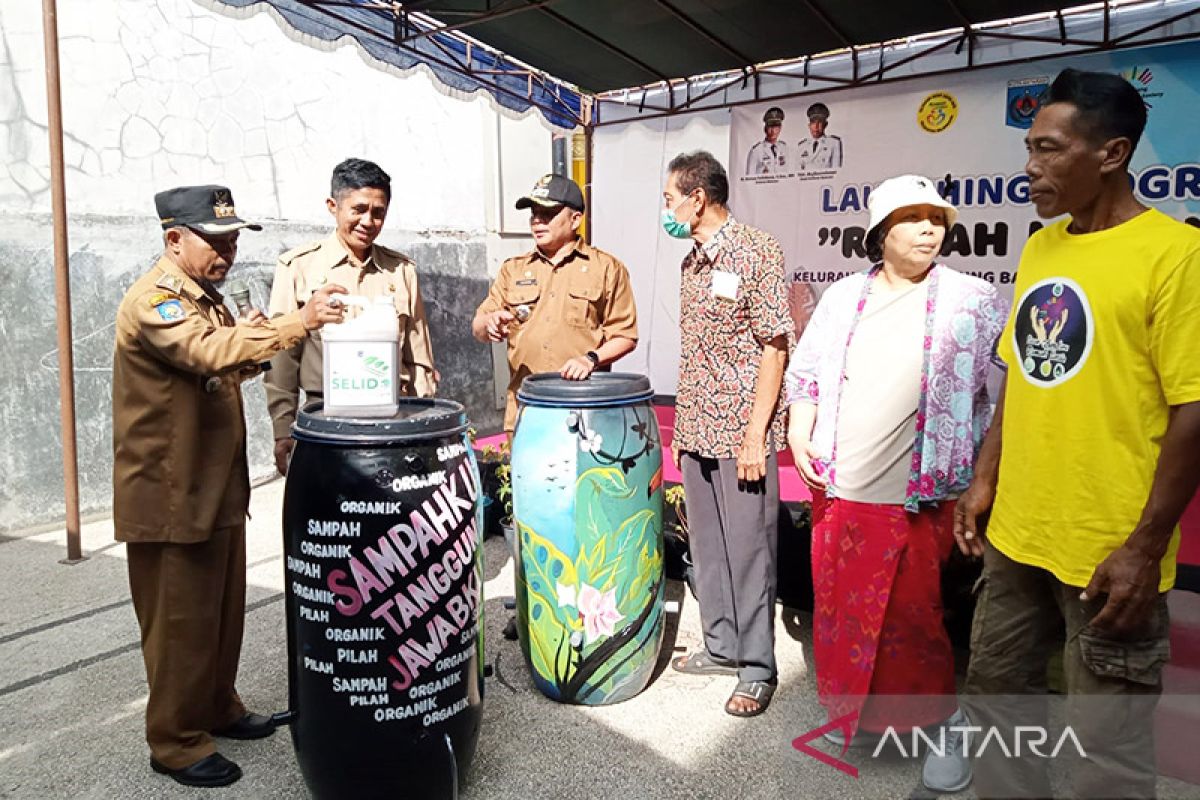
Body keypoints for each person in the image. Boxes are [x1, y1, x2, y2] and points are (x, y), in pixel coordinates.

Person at [956, 68, 1200, 800]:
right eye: (1029, 148)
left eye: (1050, 150)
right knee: (999, 709)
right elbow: (1021, 374)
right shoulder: (1044, 248)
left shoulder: (1176, 256)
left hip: (1109, 553)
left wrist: (1143, 548)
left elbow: (1195, 407)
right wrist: (986, 478)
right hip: (1017, 537)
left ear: (1112, 153)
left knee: (1106, 757)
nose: (1030, 167)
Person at [112, 185, 347, 787]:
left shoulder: (205, 300)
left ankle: (217, 705)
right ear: (174, 239)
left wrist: (252, 342)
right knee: (179, 623)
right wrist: (296, 323)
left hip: (211, 488)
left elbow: (224, 361)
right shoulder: (155, 302)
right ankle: (174, 739)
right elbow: (203, 351)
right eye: (216, 241)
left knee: (219, 613)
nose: (229, 251)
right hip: (169, 494)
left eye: (234, 240)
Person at [785, 174, 1008, 792]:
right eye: (912, 218)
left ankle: (942, 727)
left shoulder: (975, 299)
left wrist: (984, 469)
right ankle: (853, 715)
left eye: (936, 218)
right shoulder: (841, 299)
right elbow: (803, 372)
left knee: (913, 620)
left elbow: (1009, 384)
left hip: (920, 496)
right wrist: (801, 431)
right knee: (840, 614)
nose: (928, 229)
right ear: (880, 232)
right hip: (839, 487)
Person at [662, 150, 790, 717]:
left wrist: (754, 434)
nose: (665, 209)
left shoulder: (757, 250)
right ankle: (721, 646)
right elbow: (697, 353)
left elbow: (774, 345)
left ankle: (758, 666)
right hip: (696, 425)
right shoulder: (691, 262)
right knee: (707, 548)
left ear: (698, 198)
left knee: (750, 551)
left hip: (741, 430)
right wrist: (680, 432)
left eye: (669, 199)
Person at [266, 158, 437, 474]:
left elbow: (419, 358)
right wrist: (283, 429)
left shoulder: (401, 271)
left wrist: (421, 428)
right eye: (358, 209)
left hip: (391, 422)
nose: (368, 221)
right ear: (333, 206)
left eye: (378, 212)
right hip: (324, 424)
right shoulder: (298, 268)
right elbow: (282, 361)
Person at [471, 173, 638, 434]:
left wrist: (590, 359)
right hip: (528, 408)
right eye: (534, 213)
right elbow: (478, 326)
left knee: (587, 476)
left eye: (548, 213)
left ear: (575, 219)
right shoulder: (513, 269)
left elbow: (625, 336)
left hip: (584, 410)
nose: (538, 220)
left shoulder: (606, 269)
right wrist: (489, 324)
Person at [796, 102, 843, 171]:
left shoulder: (833, 143)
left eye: (820, 122)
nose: (816, 126)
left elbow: (836, 171)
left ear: (825, 124)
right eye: (813, 122)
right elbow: (797, 172)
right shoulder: (802, 146)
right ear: (809, 125)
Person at [745, 106, 789, 176]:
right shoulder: (756, 151)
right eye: (770, 126)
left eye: (776, 126)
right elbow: (749, 179)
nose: (773, 131)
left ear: (780, 128)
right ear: (765, 128)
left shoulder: (784, 148)